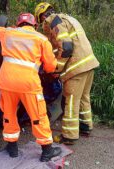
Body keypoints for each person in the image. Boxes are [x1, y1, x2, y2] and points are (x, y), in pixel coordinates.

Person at [0, 13, 61, 162]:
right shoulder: (41, 39)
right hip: (28, 83)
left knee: (9, 114)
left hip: (6, 81)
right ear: (35, 25)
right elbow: (51, 67)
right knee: (38, 115)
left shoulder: (7, 33)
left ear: (18, 24)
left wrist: (5, 25)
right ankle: (47, 150)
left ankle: (12, 148)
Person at [34, 2, 100, 145]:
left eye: (41, 22)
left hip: (76, 67)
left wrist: (56, 69)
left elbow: (67, 46)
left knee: (70, 101)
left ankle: (69, 136)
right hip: (89, 63)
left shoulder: (53, 20)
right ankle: (85, 126)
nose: (44, 26)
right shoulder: (69, 18)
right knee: (84, 97)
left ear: (42, 16)